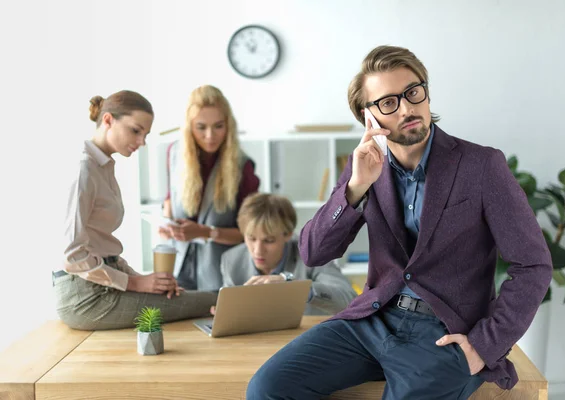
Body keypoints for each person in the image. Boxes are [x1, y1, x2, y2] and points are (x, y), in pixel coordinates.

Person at [246, 46, 552, 399]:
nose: (407, 108)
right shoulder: (363, 166)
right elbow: (313, 252)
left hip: (443, 334)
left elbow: (533, 264)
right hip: (372, 319)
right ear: (369, 117)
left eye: (412, 92)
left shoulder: (481, 166)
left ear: (426, 92)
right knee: (267, 388)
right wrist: (356, 187)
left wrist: (482, 347)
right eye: (388, 102)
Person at [56, 90, 217, 331]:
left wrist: (149, 283)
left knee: (195, 299)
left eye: (146, 134)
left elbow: (101, 247)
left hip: (102, 284)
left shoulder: (103, 167)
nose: (142, 141)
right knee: (212, 300)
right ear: (108, 120)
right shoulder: (84, 171)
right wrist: (134, 282)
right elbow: (72, 256)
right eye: (135, 130)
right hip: (85, 297)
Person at [160, 85, 260, 292]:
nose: (210, 135)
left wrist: (207, 232)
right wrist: (167, 225)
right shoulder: (174, 154)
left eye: (218, 126)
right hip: (178, 269)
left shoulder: (243, 166)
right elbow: (170, 201)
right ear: (189, 127)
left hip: (222, 275)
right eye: (201, 127)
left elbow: (251, 232)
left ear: (229, 125)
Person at [219, 193, 357, 315]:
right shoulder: (231, 260)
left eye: (269, 240)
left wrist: (298, 289)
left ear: (288, 234)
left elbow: (349, 300)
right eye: (251, 238)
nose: (258, 250)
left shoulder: (314, 254)